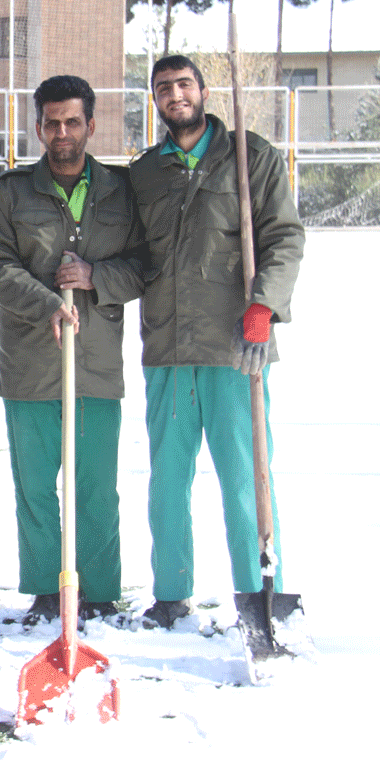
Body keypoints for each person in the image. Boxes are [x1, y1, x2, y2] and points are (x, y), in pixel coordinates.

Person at [130, 55, 304, 629]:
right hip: (169, 348)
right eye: (163, 87)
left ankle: (259, 592)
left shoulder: (250, 157)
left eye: (184, 84)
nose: (175, 94)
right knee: (167, 482)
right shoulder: (145, 172)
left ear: (203, 92)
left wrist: (263, 306)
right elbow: (132, 256)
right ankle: (171, 592)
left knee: (245, 478)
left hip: (237, 348)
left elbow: (284, 237)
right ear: (155, 99)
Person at [0, 75, 142, 628]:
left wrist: (97, 277)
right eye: (52, 123)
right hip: (30, 363)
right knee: (35, 487)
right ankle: (47, 589)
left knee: (96, 487)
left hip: (96, 362)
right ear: (39, 127)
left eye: (73, 121)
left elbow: (145, 264)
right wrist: (45, 300)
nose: (63, 132)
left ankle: (99, 591)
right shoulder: (12, 192)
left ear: (91, 125)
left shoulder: (120, 190)